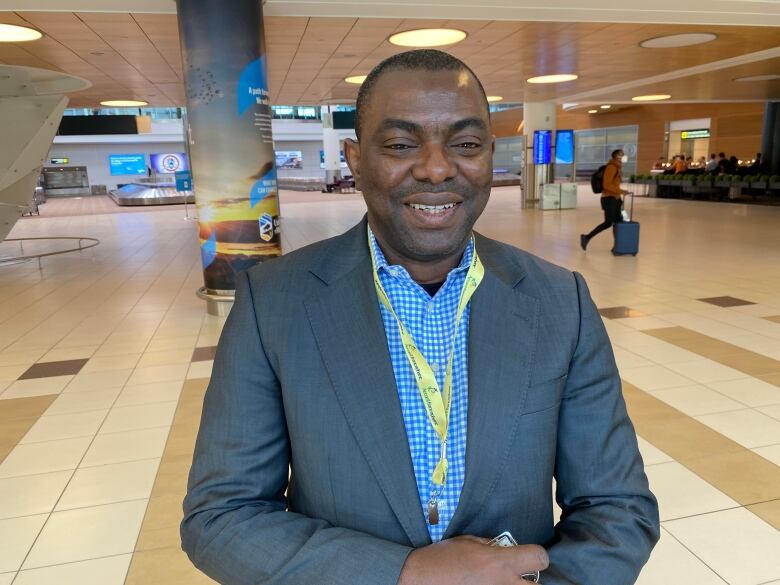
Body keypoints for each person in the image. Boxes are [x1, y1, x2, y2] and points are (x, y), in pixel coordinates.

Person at [181, 49, 659, 585]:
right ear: (356, 160)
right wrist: (402, 573)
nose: (436, 167)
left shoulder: (558, 301)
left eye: (466, 144)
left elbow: (618, 509)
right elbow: (220, 518)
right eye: (401, 144)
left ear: (490, 155)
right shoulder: (272, 303)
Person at [580, 148, 632, 251]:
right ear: (616, 156)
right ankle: (586, 237)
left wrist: (619, 193)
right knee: (608, 222)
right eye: (621, 154)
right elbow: (606, 185)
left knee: (618, 222)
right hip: (609, 199)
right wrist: (621, 191)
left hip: (616, 198)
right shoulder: (612, 167)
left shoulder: (617, 167)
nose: (623, 156)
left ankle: (617, 245)